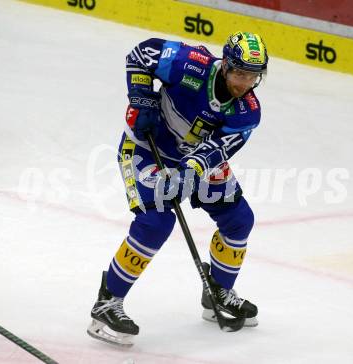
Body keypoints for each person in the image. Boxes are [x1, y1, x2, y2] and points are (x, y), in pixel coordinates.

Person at [87, 31, 268, 346]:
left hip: (192, 160)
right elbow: (141, 55)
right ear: (225, 65)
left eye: (253, 76)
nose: (244, 82)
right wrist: (142, 96)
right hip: (144, 147)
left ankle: (218, 293)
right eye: (240, 72)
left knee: (239, 219)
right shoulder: (190, 64)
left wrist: (187, 174)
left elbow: (215, 151)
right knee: (156, 222)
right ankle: (107, 303)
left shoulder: (247, 111)